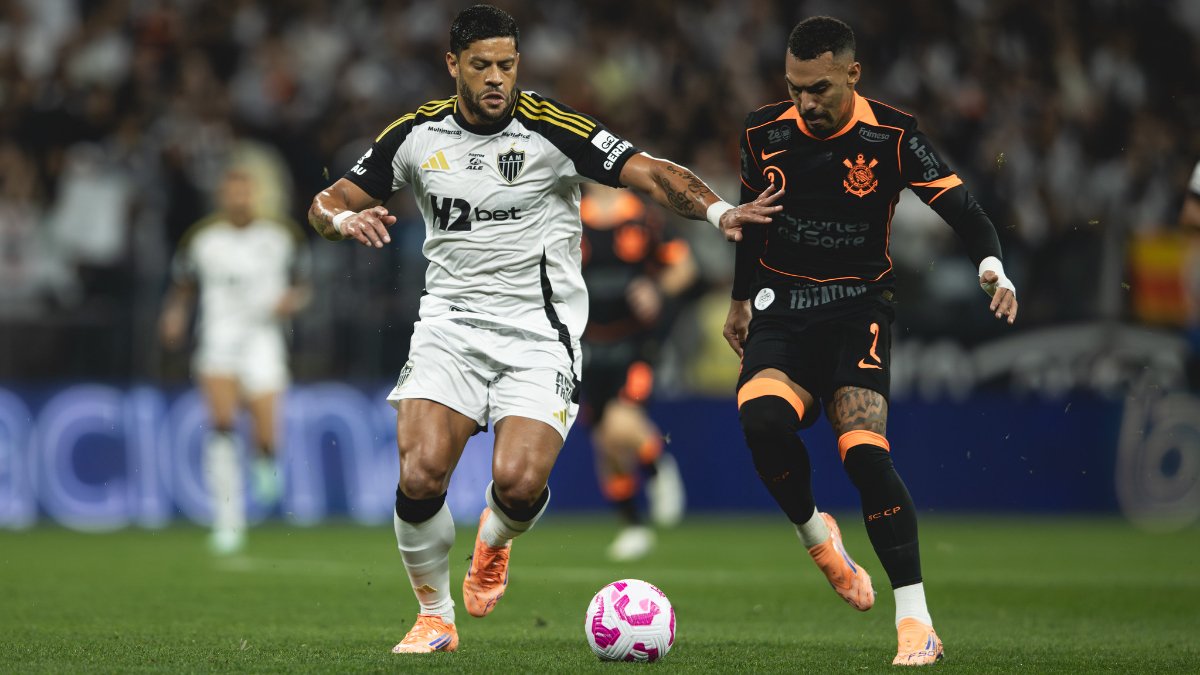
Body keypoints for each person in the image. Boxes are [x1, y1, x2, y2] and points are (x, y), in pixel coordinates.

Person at [306, 4, 780, 656]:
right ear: (453, 65)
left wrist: (720, 210)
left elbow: (647, 170)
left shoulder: (553, 129)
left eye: (507, 64)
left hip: (539, 333)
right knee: (419, 474)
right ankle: (435, 616)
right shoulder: (414, 136)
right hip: (449, 327)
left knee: (520, 482)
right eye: (481, 65)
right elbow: (329, 200)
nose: (497, 77)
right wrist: (337, 222)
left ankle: (494, 543)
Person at [720, 17, 1018, 667]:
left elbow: (964, 211)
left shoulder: (894, 135)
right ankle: (816, 535)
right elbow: (750, 222)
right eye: (796, 88)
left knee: (861, 451)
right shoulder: (761, 134)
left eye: (820, 88)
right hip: (783, 305)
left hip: (860, 308)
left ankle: (916, 621)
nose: (806, 102)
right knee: (762, 419)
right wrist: (741, 299)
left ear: (853, 75)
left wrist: (990, 267)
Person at [160, 167, 311, 555]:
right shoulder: (203, 238)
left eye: (245, 192)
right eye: (232, 192)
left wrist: (291, 301)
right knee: (223, 427)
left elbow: (303, 285)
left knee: (264, 438)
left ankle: (265, 459)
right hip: (218, 341)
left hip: (264, 340)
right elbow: (183, 285)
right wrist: (175, 315)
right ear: (222, 196)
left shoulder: (281, 236)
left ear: (254, 195)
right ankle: (227, 523)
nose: (238, 199)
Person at [579, 185, 696, 561]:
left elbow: (684, 267)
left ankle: (657, 465)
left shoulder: (643, 217)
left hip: (634, 344)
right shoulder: (569, 216)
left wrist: (657, 289)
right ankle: (632, 526)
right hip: (585, 346)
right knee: (604, 442)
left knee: (619, 423)